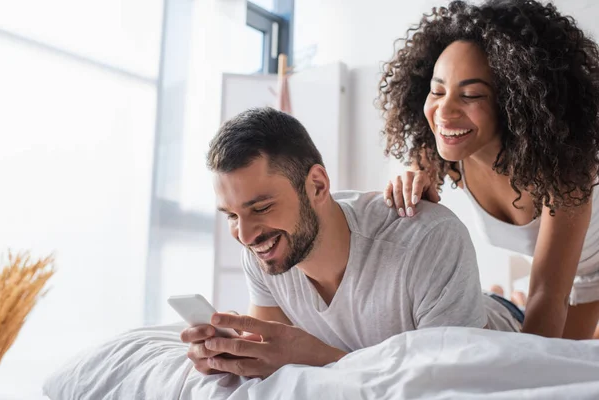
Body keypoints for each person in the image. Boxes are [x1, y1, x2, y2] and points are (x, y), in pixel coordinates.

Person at [180, 107, 521, 379]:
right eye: (231, 216)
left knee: (509, 301)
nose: (246, 234)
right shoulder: (264, 254)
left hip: (506, 327)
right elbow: (276, 356)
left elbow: (445, 385)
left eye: (262, 208)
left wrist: (319, 356)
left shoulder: (428, 238)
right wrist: (233, 357)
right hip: (446, 306)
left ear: (317, 185)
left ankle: (507, 298)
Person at [378, 0, 599, 339]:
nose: (444, 110)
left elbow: (547, 296)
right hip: (570, 280)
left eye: (470, 95)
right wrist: (408, 177)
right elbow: (414, 173)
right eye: (437, 91)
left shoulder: (564, 172)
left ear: (515, 103)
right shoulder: (446, 154)